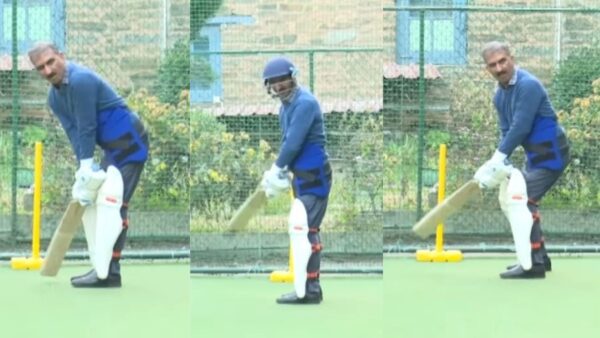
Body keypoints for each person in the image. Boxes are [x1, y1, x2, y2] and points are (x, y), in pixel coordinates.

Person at [28, 42, 149, 288]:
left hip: (129, 140)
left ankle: (109, 273)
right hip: (111, 148)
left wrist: (86, 164)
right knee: (97, 203)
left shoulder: (81, 80)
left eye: (51, 62)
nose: (48, 70)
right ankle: (104, 268)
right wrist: (83, 170)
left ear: (62, 56)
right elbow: (74, 132)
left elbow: (87, 126)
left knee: (113, 205)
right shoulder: (55, 98)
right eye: (41, 67)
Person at [475, 41, 569, 279]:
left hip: (551, 148)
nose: (499, 68)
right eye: (492, 65)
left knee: (523, 200)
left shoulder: (528, 86)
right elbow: (507, 130)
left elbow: (521, 126)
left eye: (502, 61)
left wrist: (498, 157)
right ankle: (540, 259)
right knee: (525, 199)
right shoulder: (500, 96)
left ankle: (533, 264)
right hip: (536, 151)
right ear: (487, 69)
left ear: (512, 59)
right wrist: (499, 162)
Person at [261, 56, 332, 303]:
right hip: (301, 175)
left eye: (282, 80)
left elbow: (294, 143)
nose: (279, 86)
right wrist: (279, 173)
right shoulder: (285, 107)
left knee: (305, 231)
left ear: (293, 78)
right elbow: (287, 142)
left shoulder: (305, 103)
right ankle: (309, 289)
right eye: (274, 82)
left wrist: (277, 167)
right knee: (302, 229)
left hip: (314, 174)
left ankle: (310, 291)